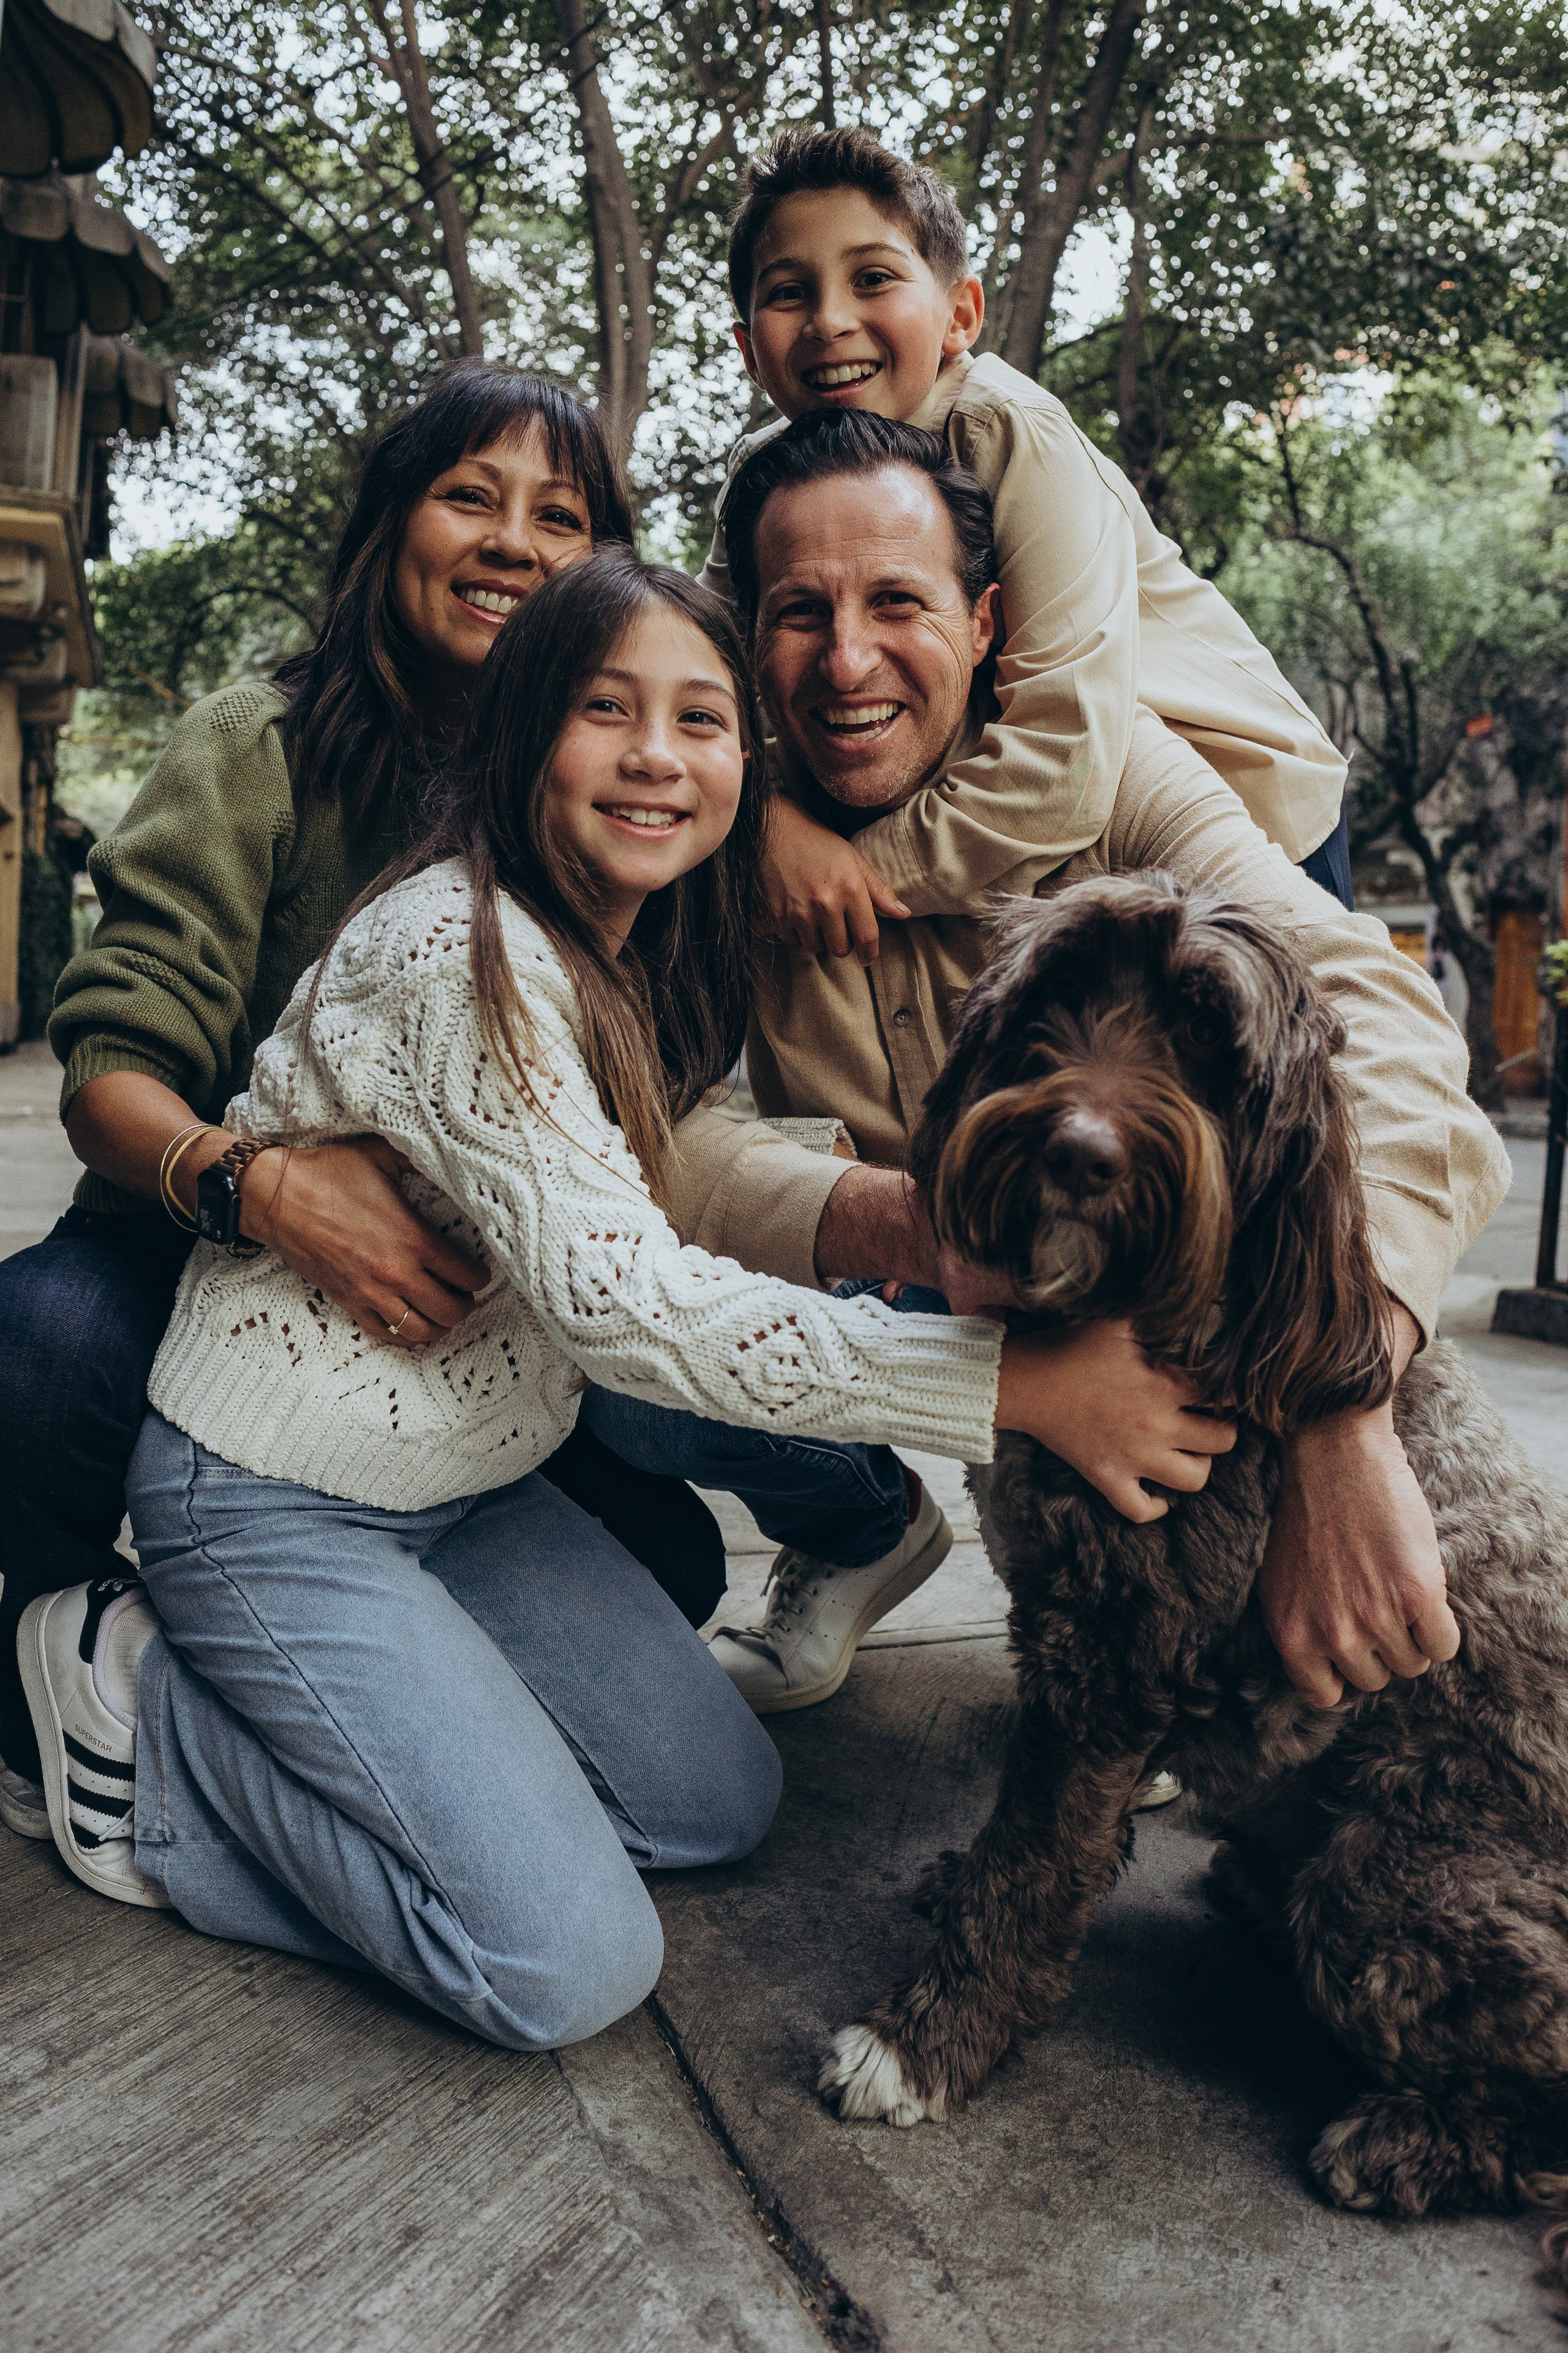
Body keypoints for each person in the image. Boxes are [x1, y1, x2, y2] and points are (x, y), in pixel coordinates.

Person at [18, 553, 1235, 2056]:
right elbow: (629, 1310)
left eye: (703, 719)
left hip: (464, 1487)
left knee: (713, 1802)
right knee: (558, 1961)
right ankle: (129, 1715)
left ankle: (368, 1727)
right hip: (270, 1491)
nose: (659, 755)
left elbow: (698, 1188)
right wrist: (1012, 1385)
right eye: (609, 711)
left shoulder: (641, 950)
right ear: (524, 733)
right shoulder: (453, 955)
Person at [589, 414, 1510, 1718]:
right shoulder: (702, 809)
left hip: (1145, 1271)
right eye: (799, 612)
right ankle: (860, 1525)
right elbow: (628, 1131)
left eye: (895, 602)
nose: (847, 658)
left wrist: (1339, 1408)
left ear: (980, 622)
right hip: (912, 1277)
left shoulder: (1117, 772)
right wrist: (905, 1226)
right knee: (624, 1389)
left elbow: (1390, 1023)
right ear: (748, 642)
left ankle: (1182, 1647)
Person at [0, 363, 724, 1836]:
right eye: (472, 495)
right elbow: (110, 1067)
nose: (515, 541)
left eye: (561, 513)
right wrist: (255, 1182)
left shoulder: (601, 789)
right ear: (391, 528)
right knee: (44, 1338)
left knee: (674, 1560)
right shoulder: (249, 743)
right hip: (193, 1225)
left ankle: (328, 1661)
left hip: (462, 1300)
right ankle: (65, 1656)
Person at [703, 124, 1357, 969]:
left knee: (1292, 1059)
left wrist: (850, 873)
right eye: (790, 292)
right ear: (749, 347)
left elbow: (1063, 760)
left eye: (872, 279)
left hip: (1235, 805)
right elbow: (707, 689)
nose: (830, 320)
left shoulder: (1011, 430)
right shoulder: (761, 483)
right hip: (1041, 835)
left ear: (960, 316)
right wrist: (768, 823)